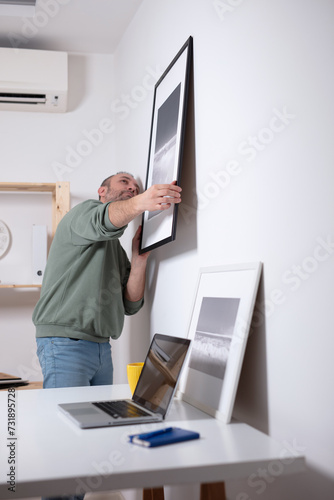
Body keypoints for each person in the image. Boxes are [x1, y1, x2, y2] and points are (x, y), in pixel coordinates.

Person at [33, 172, 182, 391]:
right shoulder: (82, 214)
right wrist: (142, 201)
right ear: (102, 191)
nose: (132, 187)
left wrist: (139, 260)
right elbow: (102, 219)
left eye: (136, 188)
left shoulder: (116, 250)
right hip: (65, 342)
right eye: (124, 182)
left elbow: (129, 304)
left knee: (96, 420)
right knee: (63, 421)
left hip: (102, 347)